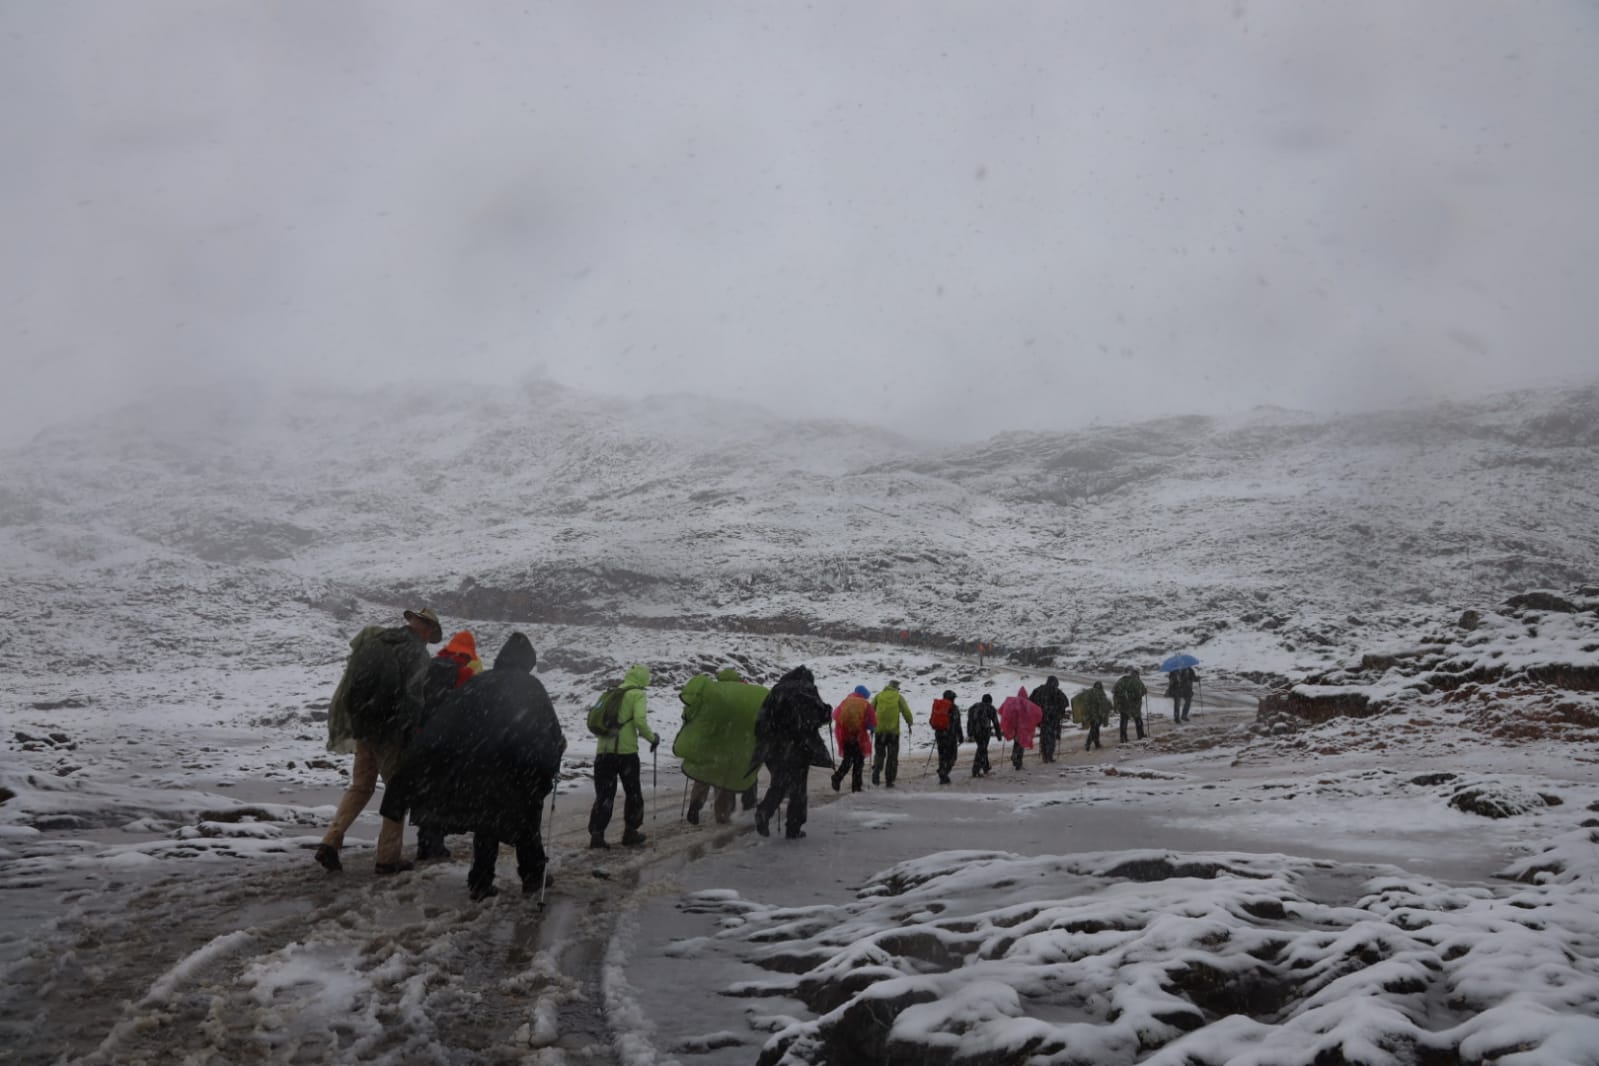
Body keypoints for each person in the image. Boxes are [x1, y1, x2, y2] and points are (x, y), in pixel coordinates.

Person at [379, 633, 566, 901]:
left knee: (487, 823)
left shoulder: (480, 682)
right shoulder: (530, 686)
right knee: (526, 821)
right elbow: (548, 729)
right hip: (517, 766)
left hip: (481, 766)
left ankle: (480, 882)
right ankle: (533, 876)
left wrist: (424, 756)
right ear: (527, 662)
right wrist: (550, 757)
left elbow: (450, 719)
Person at [315, 607, 441, 874]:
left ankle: (330, 841)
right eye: (431, 631)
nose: (430, 636)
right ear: (427, 629)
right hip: (390, 734)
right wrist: (411, 733)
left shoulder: (378, 641)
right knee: (397, 792)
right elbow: (414, 698)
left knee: (361, 787)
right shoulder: (416, 652)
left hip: (365, 727)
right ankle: (388, 858)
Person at [414, 630, 485, 862]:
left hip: (422, 739)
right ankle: (435, 845)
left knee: (425, 791)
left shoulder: (428, 666)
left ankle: (424, 843)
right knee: (442, 793)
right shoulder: (463, 673)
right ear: (465, 655)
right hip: (449, 743)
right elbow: (470, 712)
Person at [676, 668, 768, 824]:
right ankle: (722, 815)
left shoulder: (712, 693)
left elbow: (690, 713)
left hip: (708, 742)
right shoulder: (743, 695)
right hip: (728, 744)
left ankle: (695, 804)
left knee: (702, 774)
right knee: (724, 780)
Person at [752, 665, 832, 839]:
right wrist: (827, 711)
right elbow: (818, 716)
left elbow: (762, 718)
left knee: (779, 782)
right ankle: (793, 827)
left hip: (774, 746)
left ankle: (765, 811)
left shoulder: (777, 690)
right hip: (798, 746)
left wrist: (765, 741)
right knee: (798, 788)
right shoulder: (807, 690)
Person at [587, 664, 659, 849]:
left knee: (604, 795)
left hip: (603, 753)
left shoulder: (612, 693)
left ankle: (597, 834)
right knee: (633, 793)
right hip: (626, 753)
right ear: (643, 678)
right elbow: (640, 721)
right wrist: (652, 738)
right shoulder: (637, 694)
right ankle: (630, 832)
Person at [830, 685, 876, 793]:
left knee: (847, 760)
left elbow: (835, 715)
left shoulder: (845, 701)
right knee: (858, 763)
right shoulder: (866, 704)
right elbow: (872, 723)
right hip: (858, 738)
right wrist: (868, 727)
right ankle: (856, 787)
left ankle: (837, 777)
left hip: (846, 737)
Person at [870, 680, 914, 788]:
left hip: (879, 731)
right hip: (893, 732)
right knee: (892, 757)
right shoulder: (898, 697)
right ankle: (889, 780)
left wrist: (870, 726)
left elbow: (870, 710)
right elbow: (906, 711)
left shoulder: (879, 696)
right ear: (897, 688)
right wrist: (909, 722)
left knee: (879, 753)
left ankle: (876, 770)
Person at [998, 686, 1042, 770]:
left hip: (1015, 727)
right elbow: (1037, 712)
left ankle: (1014, 755)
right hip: (1023, 728)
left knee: (1016, 742)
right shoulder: (1028, 704)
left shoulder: (1012, 702)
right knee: (1021, 744)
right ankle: (1019, 763)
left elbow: (1002, 710)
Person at [1029, 677, 1071, 763]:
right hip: (1053, 718)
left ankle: (1045, 755)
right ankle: (1049, 755)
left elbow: (1030, 702)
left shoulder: (1038, 690)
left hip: (1042, 718)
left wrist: (1037, 711)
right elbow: (1065, 702)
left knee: (1044, 736)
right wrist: (1059, 710)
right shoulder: (1057, 691)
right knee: (1052, 737)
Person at [931, 689, 965, 784]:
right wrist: (960, 736)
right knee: (952, 756)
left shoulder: (938, 707)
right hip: (950, 736)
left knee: (942, 755)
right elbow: (958, 724)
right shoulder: (954, 708)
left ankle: (942, 771)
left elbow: (931, 721)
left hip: (939, 735)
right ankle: (944, 772)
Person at [966, 694, 1002, 777]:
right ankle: (976, 770)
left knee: (982, 748)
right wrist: (998, 734)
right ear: (990, 701)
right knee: (982, 749)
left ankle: (986, 767)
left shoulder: (973, 707)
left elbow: (969, 721)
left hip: (975, 732)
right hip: (984, 731)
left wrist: (969, 733)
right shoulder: (990, 708)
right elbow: (996, 722)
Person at [1113, 669, 1149, 742]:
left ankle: (1123, 737)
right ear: (1137, 675)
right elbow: (1142, 692)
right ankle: (1140, 735)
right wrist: (1144, 690)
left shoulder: (1123, 680)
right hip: (1135, 705)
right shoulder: (1138, 682)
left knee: (1124, 720)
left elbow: (1115, 690)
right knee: (1138, 719)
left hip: (1123, 704)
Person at [1077, 681, 1112, 751]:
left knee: (1095, 729)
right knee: (1094, 729)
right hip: (1097, 715)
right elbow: (1104, 703)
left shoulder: (1090, 693)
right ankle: (1088, 743)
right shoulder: (1100, 693)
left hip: (1092, 714)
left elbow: (1087, 703)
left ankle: (1096, 743)